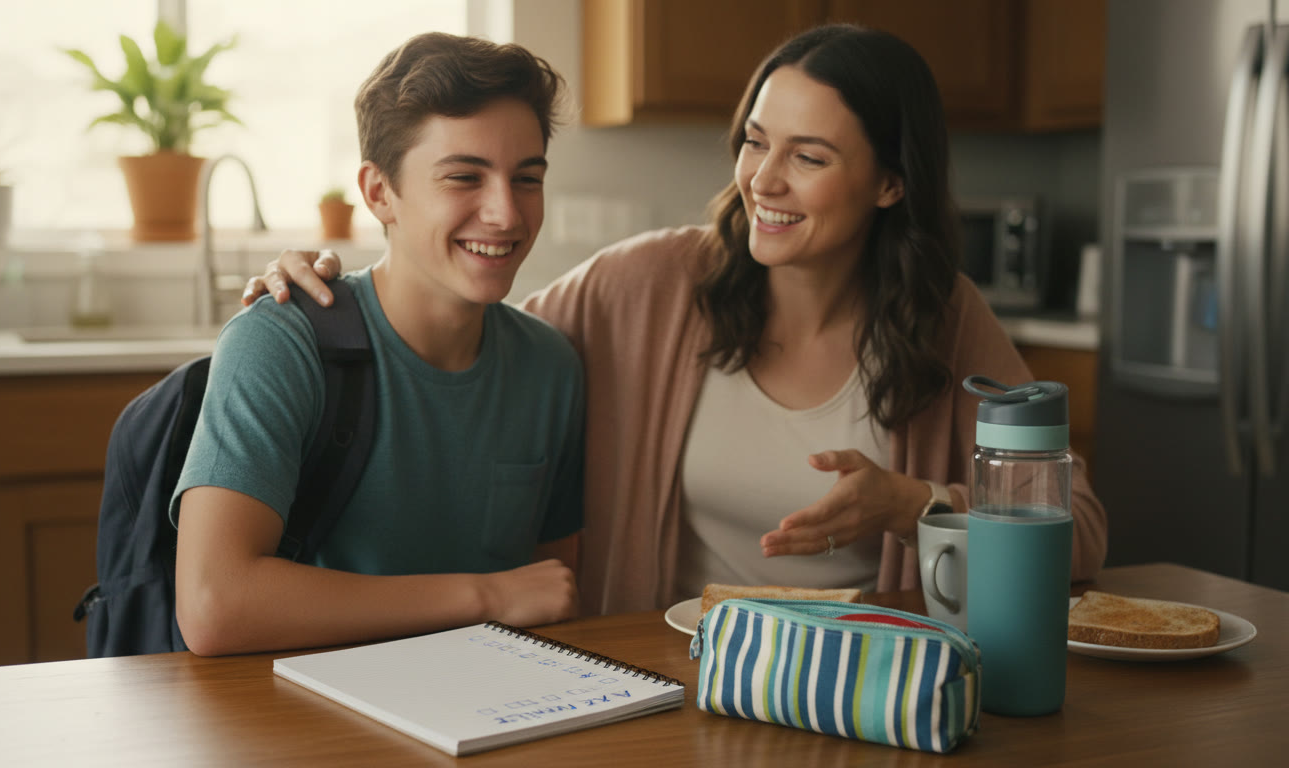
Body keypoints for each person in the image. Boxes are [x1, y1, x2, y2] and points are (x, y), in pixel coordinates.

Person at [245, 24, 1107, 617]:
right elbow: (455, 326)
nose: (763, 180)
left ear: (890, 183)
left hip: (862, 695)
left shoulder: (944, 319)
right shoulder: (650, 286)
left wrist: (916, 505)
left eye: (808, 157)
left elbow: (1081, 538)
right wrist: (336, 281)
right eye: (755, 140)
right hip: (669, 682)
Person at [173, 32, 585, 656]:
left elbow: (551, 596)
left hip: (492, 709)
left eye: (527, 178)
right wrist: (486, 597)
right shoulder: (282, 343)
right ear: (378, 193)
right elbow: (214, 605)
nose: (506, 213)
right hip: (302, 720)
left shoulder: (551, 368)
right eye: (463, 177)